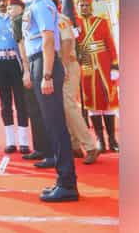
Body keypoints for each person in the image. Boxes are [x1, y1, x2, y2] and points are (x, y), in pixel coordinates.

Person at [23, 0, 79, 202]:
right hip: (39, 62)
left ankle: (67, 184)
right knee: (52, 123)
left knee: (56, 124)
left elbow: (47, 39)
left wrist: (46, 75)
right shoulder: (38, 3)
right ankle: (62, 179)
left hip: (43, 63)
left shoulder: (41, 3)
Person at [10, 0, 53, 162]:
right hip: (37, 62)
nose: (9, 11)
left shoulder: (20, 21)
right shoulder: (26, 18)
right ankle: (41, 149)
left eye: (11, 8)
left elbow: (22, 47)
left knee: (38, 109)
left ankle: (46, 151)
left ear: (21, 9)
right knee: (35, 110)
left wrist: (26, 71)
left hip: (35, 64)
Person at [0, 0, 31, 153]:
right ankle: (10, 141)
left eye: (4, 0)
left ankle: (24, 141)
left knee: (21, 101)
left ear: (8, 2)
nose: (2, 3)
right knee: (5, 103)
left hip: (15, 62)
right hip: (0, 62)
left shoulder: (16, 20)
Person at [76, 0, 119, 152]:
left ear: (91, 6)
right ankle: (100, 140)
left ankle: (112, 140)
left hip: (104, 64)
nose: (84, 8)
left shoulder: (102, 22)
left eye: (87, 5)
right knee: (92, 103)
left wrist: (115, 66)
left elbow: (110, 44)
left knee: (108, 102)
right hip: (86, 66)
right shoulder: (75, 25)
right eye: (81, 5)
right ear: (78, 7)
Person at [59, 9, 101, 164]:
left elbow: (68, 42)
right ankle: (74, 144)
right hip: (58, 66)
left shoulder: (60, 19)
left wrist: (62, 65)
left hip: (68, 65)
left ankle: (90, 146)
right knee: (64, 107)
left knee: (68, 104)